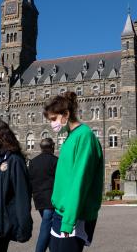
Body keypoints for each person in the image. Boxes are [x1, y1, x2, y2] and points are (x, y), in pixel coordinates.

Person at [43, 92, 104, 252]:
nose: (52, 124)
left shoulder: (84, 136)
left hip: (75, 216)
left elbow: (80, 180)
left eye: (53, 119)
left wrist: (69, 221)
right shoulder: (70, 137)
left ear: (66, 114)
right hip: (61, 213)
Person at [0, 120, 33, 252]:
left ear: (2, 137)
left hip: (4, 221)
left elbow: (22, 194)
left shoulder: (14, 160)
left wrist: (24, 224)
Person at [29, 138, 58, 252]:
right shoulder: (55, 161)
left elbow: (30, 180)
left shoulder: (33, 162)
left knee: (49, 226)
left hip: (38, 199)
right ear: (52, 147)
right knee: (46, 226)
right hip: (51, 199)